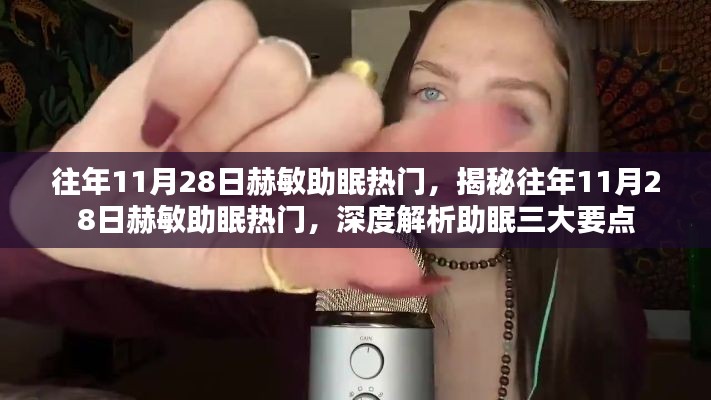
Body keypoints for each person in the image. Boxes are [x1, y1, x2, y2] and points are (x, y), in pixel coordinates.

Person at [0, 0, 646, 399]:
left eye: (511, 111)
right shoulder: (302, 268)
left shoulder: (609, 317)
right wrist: (42, 217)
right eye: (431, 92)